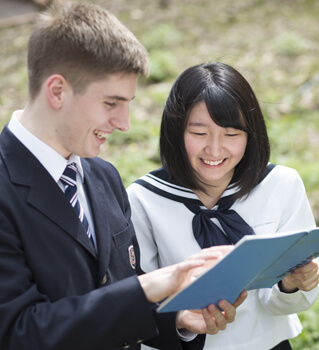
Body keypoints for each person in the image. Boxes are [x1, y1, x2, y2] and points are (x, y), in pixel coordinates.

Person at [0, 4, 247, 350]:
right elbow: (18, 332)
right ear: (57, 91)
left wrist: (175, 316)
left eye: (128, 103)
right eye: (112, 103)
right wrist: (147, 289)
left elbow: (116, 288)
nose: (124, 123)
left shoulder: (104, 177)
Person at [127, 62, 319, 350]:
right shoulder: (144, 199)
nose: (215, 150)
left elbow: (288, 303)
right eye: (199, 133)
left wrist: (292, 283)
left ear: (250, 134)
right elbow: (134, 303)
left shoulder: (281, 185)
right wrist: (180, 320)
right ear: (175, 131)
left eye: (231, 134)